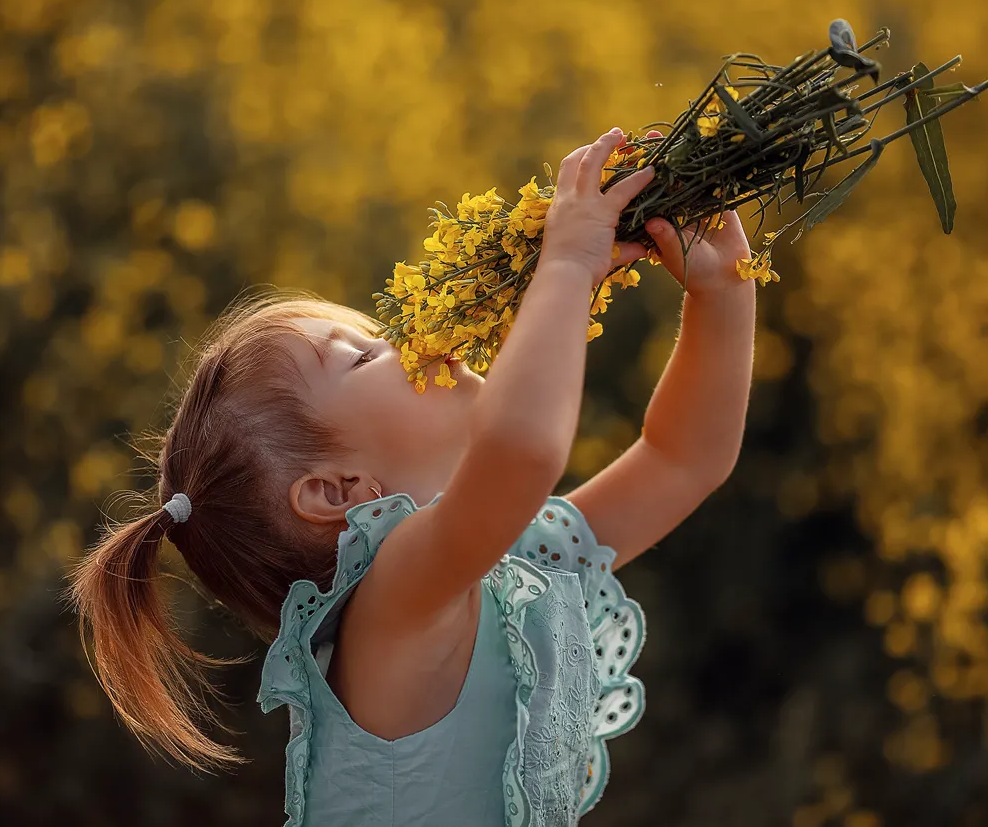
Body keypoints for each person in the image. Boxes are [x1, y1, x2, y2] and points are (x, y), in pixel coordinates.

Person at [67, 128, 757, 826]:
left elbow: (682, 461)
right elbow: (521, 450)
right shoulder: (391, 602)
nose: (411, 338)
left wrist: (722, 292)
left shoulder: (493, 564)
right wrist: (567, 262)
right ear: (338, 491)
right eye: (366, 356)